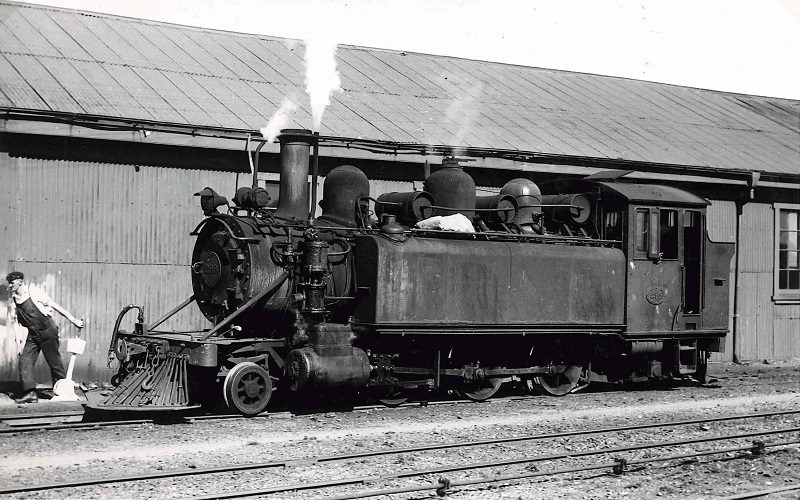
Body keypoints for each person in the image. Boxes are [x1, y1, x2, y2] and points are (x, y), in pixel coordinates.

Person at [6, 271, 84, 404]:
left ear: (19, 281)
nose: (10, 286)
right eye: (9, 283)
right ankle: (30, 393)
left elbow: (55, 306)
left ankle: (63, 392)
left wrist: (74, 321)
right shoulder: (14, 300)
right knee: (24, 360)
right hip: (33, 334)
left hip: (48, 331)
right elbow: (19, 324)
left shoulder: (33, 292)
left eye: (12, 283)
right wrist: (19, 344)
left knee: (54, 363)